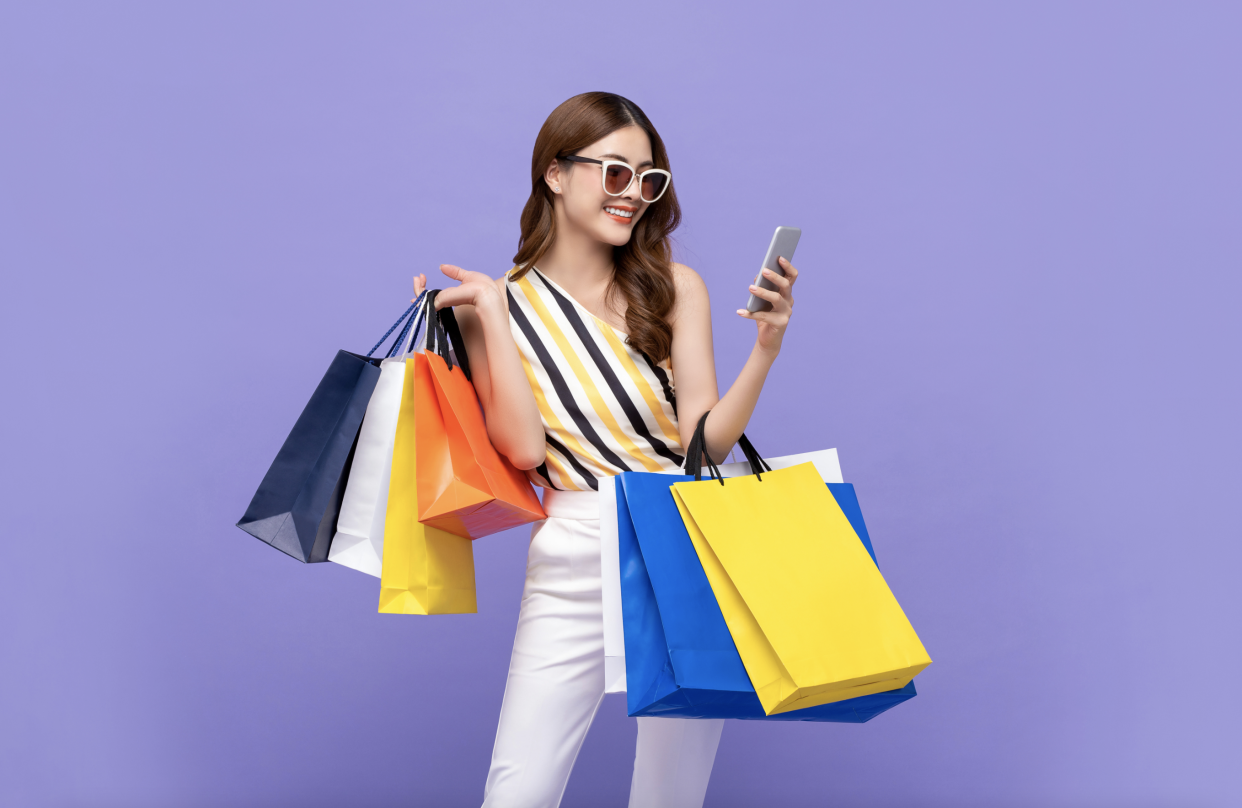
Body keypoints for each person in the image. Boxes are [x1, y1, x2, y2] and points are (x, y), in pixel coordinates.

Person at [415, 91, 798, 808]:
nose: (634, 196)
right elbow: (526, 450)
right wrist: (494, 317)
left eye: (648, 180)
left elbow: (704, 445)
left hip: (685, 539)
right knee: (517, 790)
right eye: (614, 173)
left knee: (671, 794)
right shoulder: (493, 304)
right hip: (574, 543)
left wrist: (765, 353)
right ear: (555, 173)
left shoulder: (676, 289)